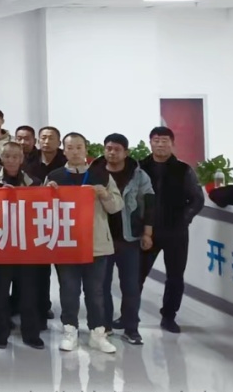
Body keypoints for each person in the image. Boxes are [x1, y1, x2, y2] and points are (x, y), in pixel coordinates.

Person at [47, 132, 122, 354]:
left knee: (95, 291)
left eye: (79, 147)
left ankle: (97, 333)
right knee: (69, 291)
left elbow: (116, 207)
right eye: (70, 148)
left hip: (96, 244)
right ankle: (70, 331)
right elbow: (40, 210)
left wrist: (105, 194)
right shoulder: (55, 176)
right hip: (66, 243)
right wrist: (47, 194)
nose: (75, 152)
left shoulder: (101, 175)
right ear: (64, 151)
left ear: (85, 149)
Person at [139, 126, 205, 334]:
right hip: (146, 231)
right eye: (156, 140)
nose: (160, 144)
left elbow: (197, 199)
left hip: (175, 232)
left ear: (172, 143)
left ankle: (169, 316)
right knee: (136, 275)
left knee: (175, 276)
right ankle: (128, 314)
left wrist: (183, 220)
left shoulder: (183, 170)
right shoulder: (139, 168)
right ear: (150, 143)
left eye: (165, 140)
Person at [93, 133, 154, 347]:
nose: (112, 153)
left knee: (130, 286)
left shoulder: (138, 175)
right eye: (108, 148)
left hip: (129, 238)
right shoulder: (94, 173)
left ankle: (131, 328)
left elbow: (149, 204)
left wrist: (147, 233)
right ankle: (105, 325)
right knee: (101, 285)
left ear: (126, 152)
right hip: (101, 238)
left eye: (117, 149)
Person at [0, 142, 44, 350]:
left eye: (15, 157)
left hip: (27, 247)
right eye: (7, 156)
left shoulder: (34, 183)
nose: (11, 160)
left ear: (22, 159)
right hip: (0, 246)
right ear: (1, 158)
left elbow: (41, 210)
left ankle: (31, 334)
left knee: (29, 293)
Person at [28, 126, 67, 322]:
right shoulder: (29, 162)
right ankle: (43, 307)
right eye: (43, 137)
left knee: (65, 273)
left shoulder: (66, 163)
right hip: (37, 223)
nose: (46, 141)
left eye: (51, 138)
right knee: (40, 272)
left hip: (64, 224)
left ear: (59, 142)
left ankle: (68, 312)